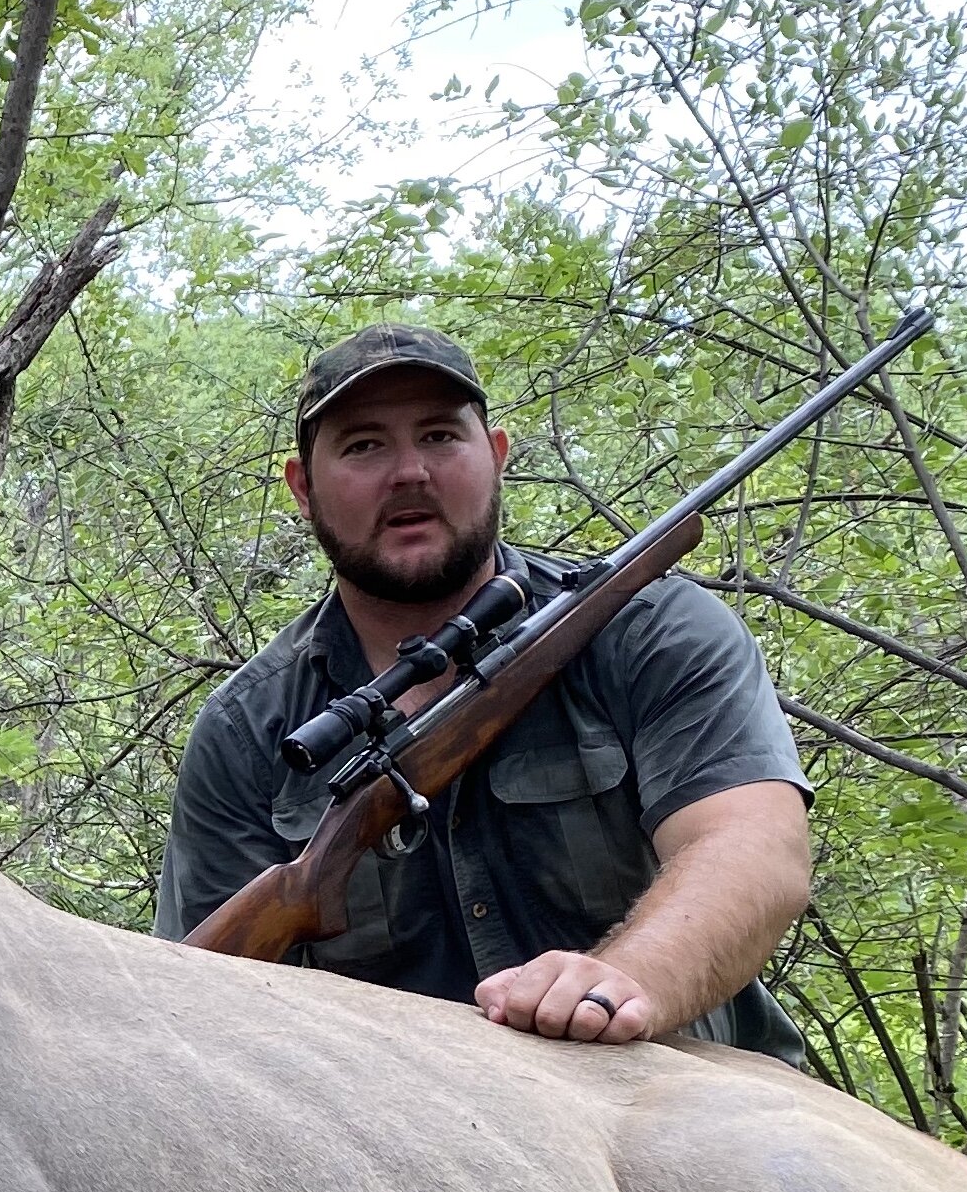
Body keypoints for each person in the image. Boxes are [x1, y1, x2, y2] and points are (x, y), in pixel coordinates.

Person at [155, 324, 815, 1058]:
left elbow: (755, 847)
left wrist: (621, 980)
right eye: (364, 445)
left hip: (680, 1099)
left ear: (496, 457)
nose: (409, 472)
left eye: (440, 436)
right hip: (411, 1132)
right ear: (303, 489)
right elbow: (201, 1002)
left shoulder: (648, 630)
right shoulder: (249, 729)